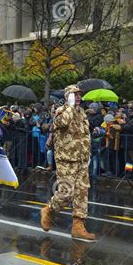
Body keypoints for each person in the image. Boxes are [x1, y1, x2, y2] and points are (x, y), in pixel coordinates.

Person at [40, 85, 95, 240]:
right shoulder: (61, 111)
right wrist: (70, 106)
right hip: (66, 159)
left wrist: (87, 154)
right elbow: (62, 123)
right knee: (66, 192)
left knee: (82, 191)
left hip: (82, 160)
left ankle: (79, 225)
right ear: (67, 97)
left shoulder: (82, 113)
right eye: (74, 95)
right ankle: (49, 210)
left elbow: (84, 135)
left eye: (79, 95)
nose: (78, 97)